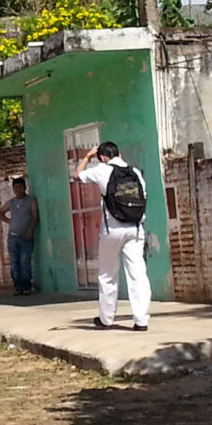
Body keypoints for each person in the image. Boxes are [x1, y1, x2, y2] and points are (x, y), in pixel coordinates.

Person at [74, 141, 151, 331]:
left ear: (102, 157)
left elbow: (76, 176)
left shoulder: (102, 170)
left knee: (108, 274)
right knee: (138, 274)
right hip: (135, 228)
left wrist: (86, 157)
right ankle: (141, 321)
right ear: (119, 153)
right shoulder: (135, 172)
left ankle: (106, 319)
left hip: (113, 229)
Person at [0, 177, 38, 295]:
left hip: (26, 236)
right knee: (14, 263)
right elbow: (0, 212)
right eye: (16, 187)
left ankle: (26, 286)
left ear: (24, 187)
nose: (18, 189)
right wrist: (9, 221)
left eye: (20, 187)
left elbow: (35, 216)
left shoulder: (31, 200)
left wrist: (30, 230)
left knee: (25, 262)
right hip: (12, 236)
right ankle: (18, 286)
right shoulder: (12, 202)